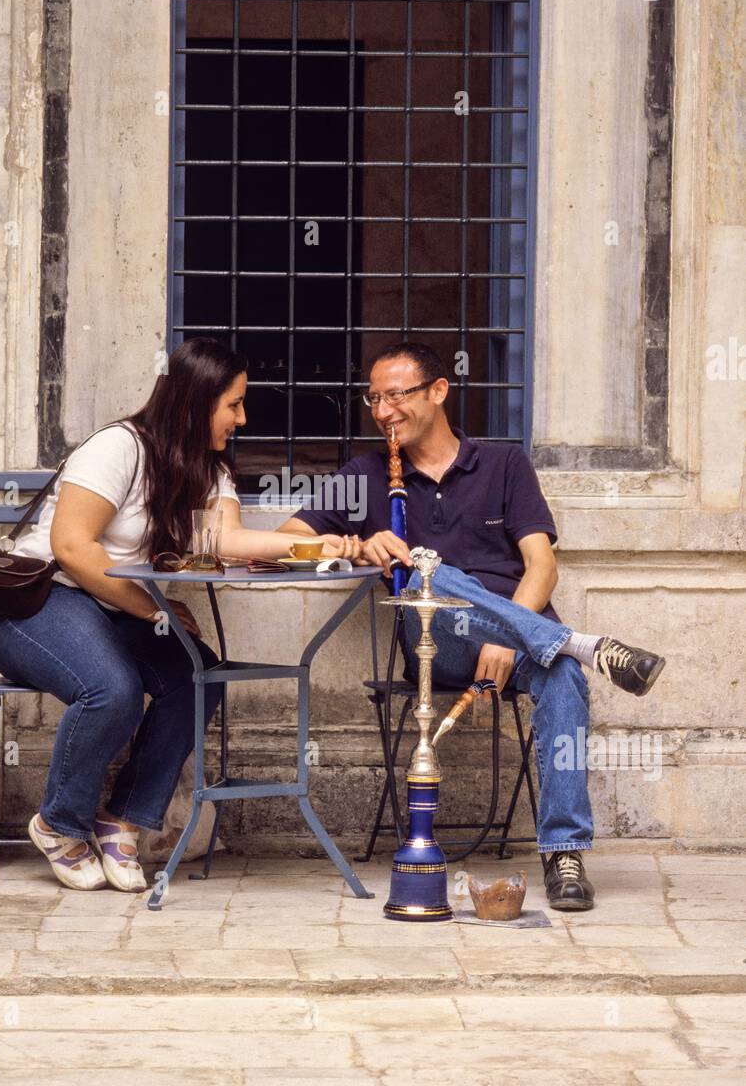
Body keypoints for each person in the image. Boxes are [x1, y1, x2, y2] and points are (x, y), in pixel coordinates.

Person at [279, 342, 666, 912]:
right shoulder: (363, 475)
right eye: (375, 399)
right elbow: (288, 539)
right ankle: (588, 646)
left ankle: (564, 852)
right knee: (424, 575)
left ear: (439, 391)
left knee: (564, 681)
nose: (383, 411)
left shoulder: (505, 464)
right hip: (438, 646)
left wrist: (502, 638)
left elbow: (542, 566)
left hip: (519, 639)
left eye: (397, 396)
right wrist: (358, 546)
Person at [0, 338, 355, 892]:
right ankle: (59, 823)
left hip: (112, 612)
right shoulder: (119, 448)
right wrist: (154, 610)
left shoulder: (207, 466)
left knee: (197, 678)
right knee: (113, 689)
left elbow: (225, 538)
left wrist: (310, 547)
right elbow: (72, 548)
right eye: (233, 404)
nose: (243, 417)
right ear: (194, 400)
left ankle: (124, 820)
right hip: (39, 606)